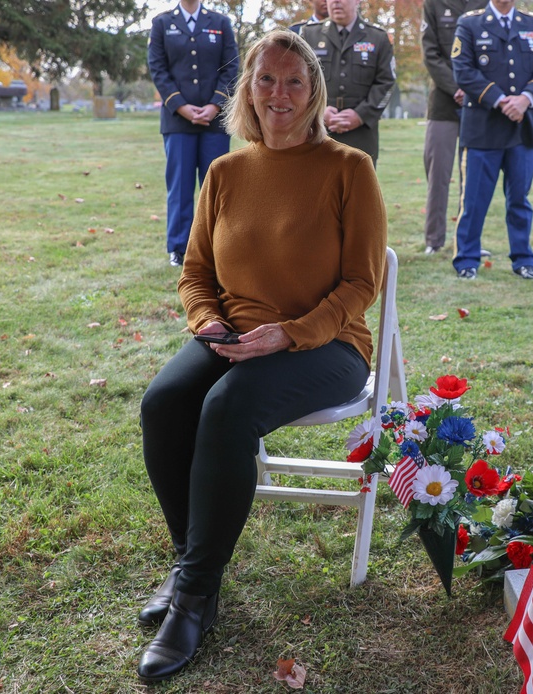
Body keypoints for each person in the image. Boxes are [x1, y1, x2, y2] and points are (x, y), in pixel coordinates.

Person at [135, 29, 387, 683]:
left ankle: (192, 599)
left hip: (328, 345)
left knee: (226, 409)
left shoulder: (348, 169)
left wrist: (292, 332)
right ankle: (197, 562)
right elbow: (194, 274)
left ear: (313, 92)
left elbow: (363, 284)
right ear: (248, 87)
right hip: (234, 333)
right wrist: (208, 321)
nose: (279, 93)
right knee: (164, 403)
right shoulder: (224, 171)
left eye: (294, 81)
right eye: (266, 79)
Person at [450, 0, 533, 280]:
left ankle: (524, 260)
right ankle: (467, 261)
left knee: (519, 199)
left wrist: (525, 98)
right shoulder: (469, 23)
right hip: (482, 129)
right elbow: (463, 70)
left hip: (522, 128)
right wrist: (499, 100)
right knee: (474, 200)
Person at [148, 0, 238, 267]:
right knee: (180, 187)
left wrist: (214, 105)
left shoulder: (220, 23)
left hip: (215, 120)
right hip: (178, 121)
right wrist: (180, 106)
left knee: (218, 187)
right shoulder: (162, 23)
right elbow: (158, 69)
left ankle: (219, 245)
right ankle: (179, 247)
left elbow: (231, 67)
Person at [419, 0, 488, 255]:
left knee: (474, 176)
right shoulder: (434, 4)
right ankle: (434, 241)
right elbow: (430, 53)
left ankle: (468, 243)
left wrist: (475, 89)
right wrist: (456, 87)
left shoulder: (488, 4)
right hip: (443, 103)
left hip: (480, 101)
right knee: (438, 174)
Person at [295, 0, 395, 166]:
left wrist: (361, 115)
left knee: (359, 189)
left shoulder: (378, 38)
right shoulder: (309, 34)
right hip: (317, 131)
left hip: (361, 135)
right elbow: (298, 80)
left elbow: (386, 83)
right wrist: (317, 112)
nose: (336, 2)